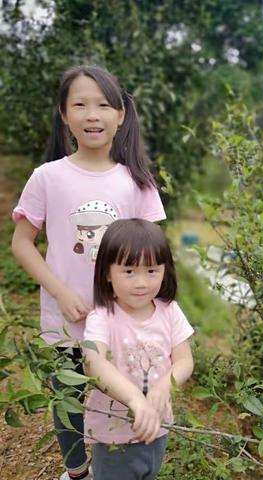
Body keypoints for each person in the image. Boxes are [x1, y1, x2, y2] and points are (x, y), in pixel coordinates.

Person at [11, 65, 166, 480]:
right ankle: (77, 472)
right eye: (79, 104)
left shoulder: (136, 181)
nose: (91, 115)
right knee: (68, 396)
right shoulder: (48, 177)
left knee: (120, 394)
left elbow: (154, 256)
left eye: (102, 104)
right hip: (68, 318)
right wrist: (60, 292)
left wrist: (158, 313)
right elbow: (22, 243)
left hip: (122, 319)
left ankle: (120, 465)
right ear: (64, 115)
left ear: (120, 114)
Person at [82, 218, 194, 480]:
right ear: (108, 273)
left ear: (165, 270)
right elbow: (92, 361)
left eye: (152, 271)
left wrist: (163, 386)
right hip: (114, 434)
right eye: (129, 271)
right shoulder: (103, 316)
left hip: (157, 426)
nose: (141, 282)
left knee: (148, 472)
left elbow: (184, 360)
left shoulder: (169, 311)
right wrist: (134, 399)